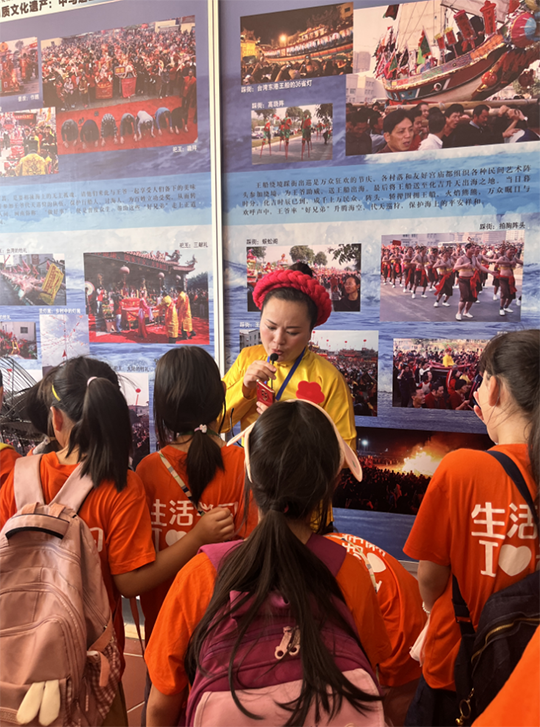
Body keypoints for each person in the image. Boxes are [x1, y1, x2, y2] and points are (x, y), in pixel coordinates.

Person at [0, 357, 236, 726]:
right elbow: (128, 583)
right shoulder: (121, 486)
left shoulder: (18, 477)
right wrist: (199, 538)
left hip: (17, 651)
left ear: (56, 419)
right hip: (95, 658)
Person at [145, 400, 392, 727]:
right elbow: (371, 670)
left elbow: (162, 704)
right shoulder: (350, 573)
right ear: (332, 484)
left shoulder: (202, 575)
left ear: (249, 473)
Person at [403, 330, 540, 727]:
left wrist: (431, 610)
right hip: (526, 676)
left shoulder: (463, 468)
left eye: (481, 381)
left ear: (492, 387)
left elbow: (429, 576)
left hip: (455, 666)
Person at [223, 263, 355, 449]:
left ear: (310, 332)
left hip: (301, 477)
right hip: (248, 473)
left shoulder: (329, 379)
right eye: (270, 327)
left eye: (292, 332)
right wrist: (244, 389)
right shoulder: (247, 358)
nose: (278, 340)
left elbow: (345, 455)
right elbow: (218, 422)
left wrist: (287, 426)